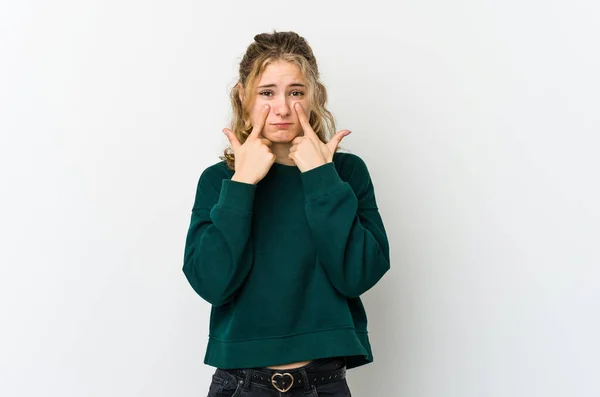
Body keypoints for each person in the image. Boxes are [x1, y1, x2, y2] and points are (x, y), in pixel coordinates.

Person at [182, 30, 391, 397]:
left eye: (295, 92)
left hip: (324, 382)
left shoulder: (346, 174)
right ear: (243, 97)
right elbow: (211, 283)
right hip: (241, 383)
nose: (281, 108)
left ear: (314, 99)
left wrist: (321, 179)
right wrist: (242, 183)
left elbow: (357, 275)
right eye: (267, 93)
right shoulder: (219, 181)